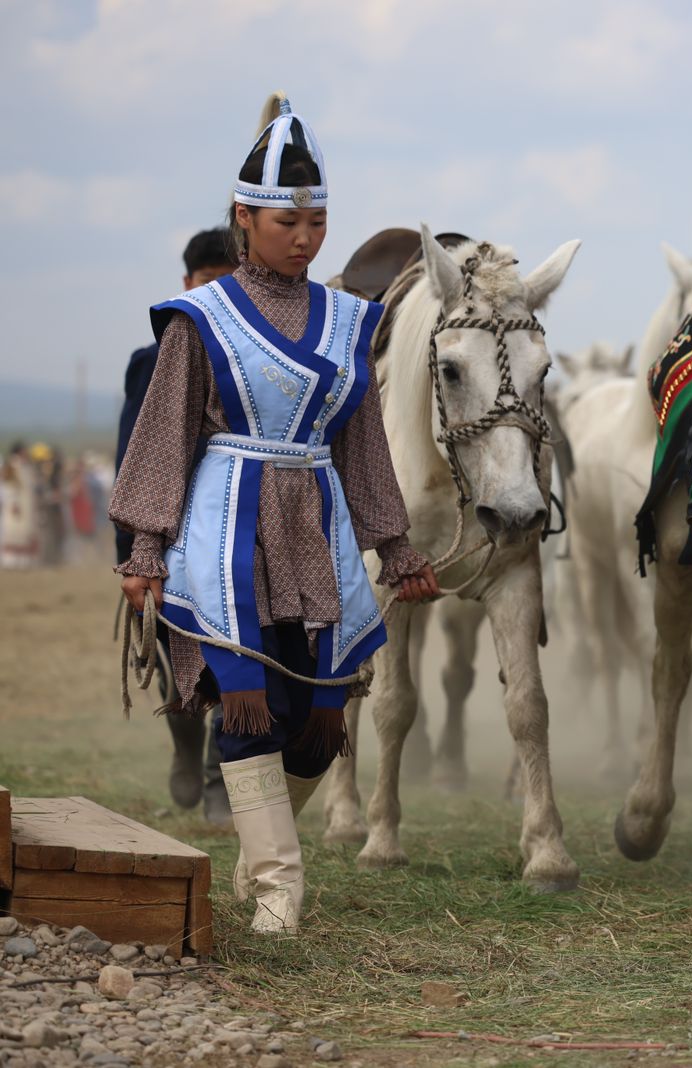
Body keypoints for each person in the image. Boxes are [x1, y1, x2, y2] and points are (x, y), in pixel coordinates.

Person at [109, 98, 440, 937]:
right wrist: (146, 549)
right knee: (244, 703)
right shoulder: (202, 319)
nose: (304, 237)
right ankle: (276, 891)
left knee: (315, 722)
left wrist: (397, 549)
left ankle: (266, 849)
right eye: (286, 220)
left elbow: (362, 443)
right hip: (225, 532)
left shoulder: (348, 322)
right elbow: (166, 430)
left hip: (317, 526)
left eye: (317, 221)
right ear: (243, 219)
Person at [115, 227, 236, 826]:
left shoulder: (252, 363)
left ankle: (219, 783)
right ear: (186, 285)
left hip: (233, 537)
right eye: (205, 283)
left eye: (226, 283)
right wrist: (135, 555)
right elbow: (128, 462)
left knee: (232, 664)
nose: (215, 295)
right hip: (167, 543)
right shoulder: (154, 360)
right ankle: (185, 749)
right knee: (180, 662)